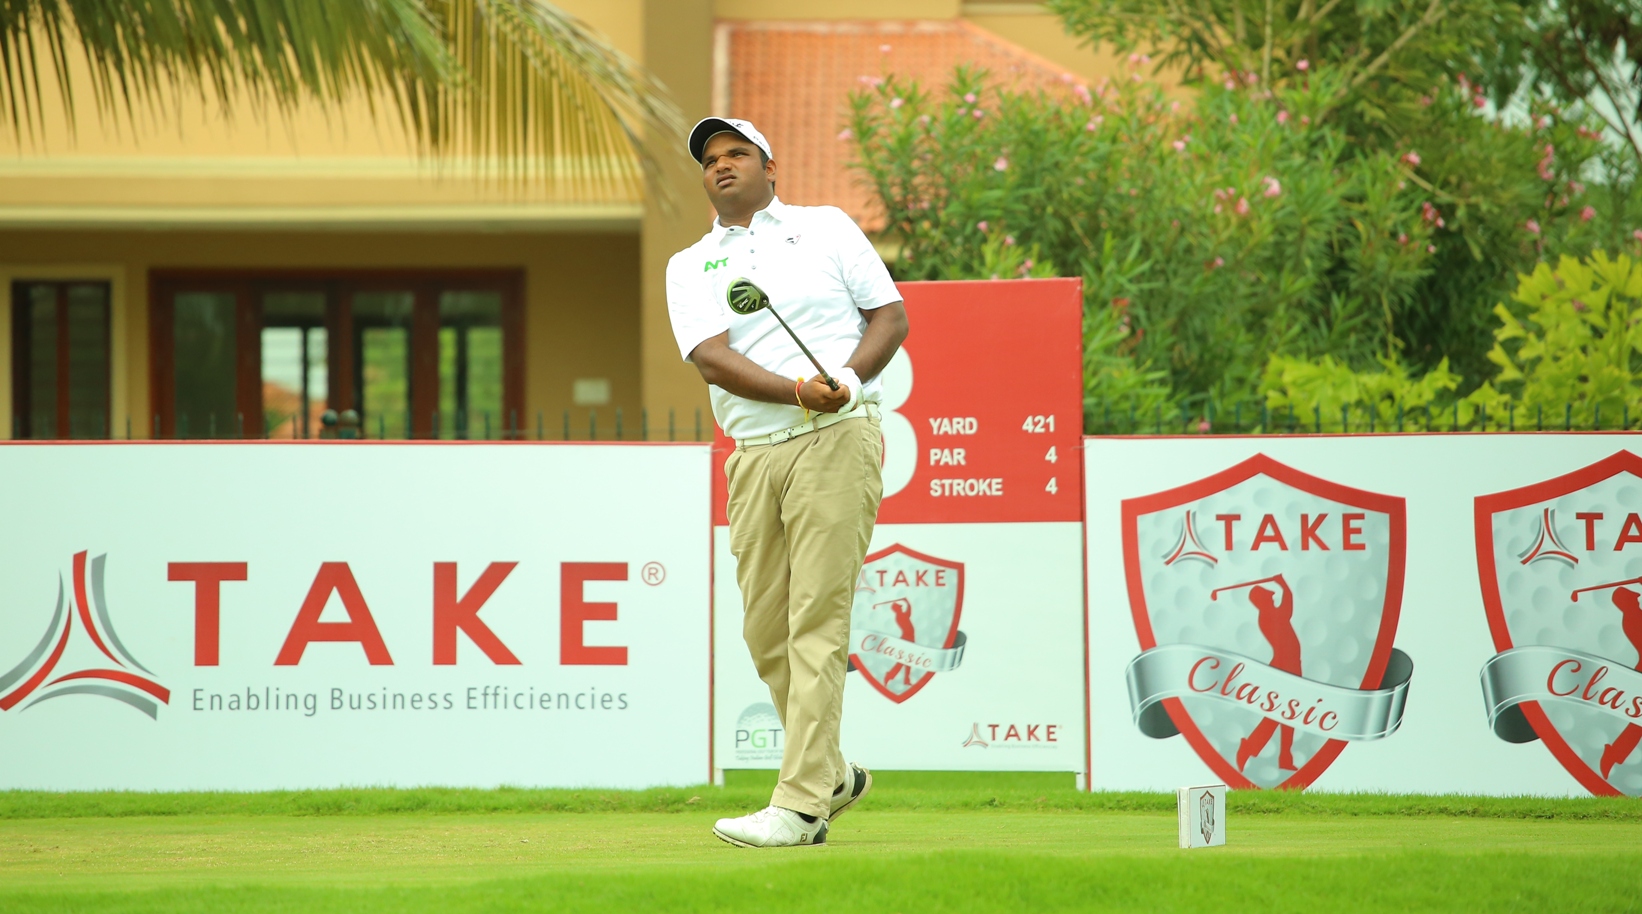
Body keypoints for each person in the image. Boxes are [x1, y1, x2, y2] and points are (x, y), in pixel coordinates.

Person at [665, 116, 908, 848]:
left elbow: (889, 316)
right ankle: (832, 776)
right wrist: (798, 389)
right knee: (767, 632)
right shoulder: (689, 264)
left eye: (737, 153)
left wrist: (847, 379)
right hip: (753, 453)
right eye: (710, 159)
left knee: (816, 623)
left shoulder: (825, 227)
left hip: (835, 439)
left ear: (770, 167)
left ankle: (801, 806)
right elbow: (711, 358)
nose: (722, 165)